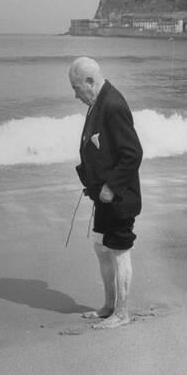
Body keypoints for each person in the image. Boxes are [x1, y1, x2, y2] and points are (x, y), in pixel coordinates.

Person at [68, 56, 143, 329]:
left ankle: (122, 313)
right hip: (103, 196)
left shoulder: (112, 104)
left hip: (120, 197)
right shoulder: (97, 102)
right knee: (101, 247)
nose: (76, 94)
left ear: (90, 81)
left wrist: (111, 186)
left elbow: (133, 153)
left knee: (119, 250)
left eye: (77, 88)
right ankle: (109, 306)